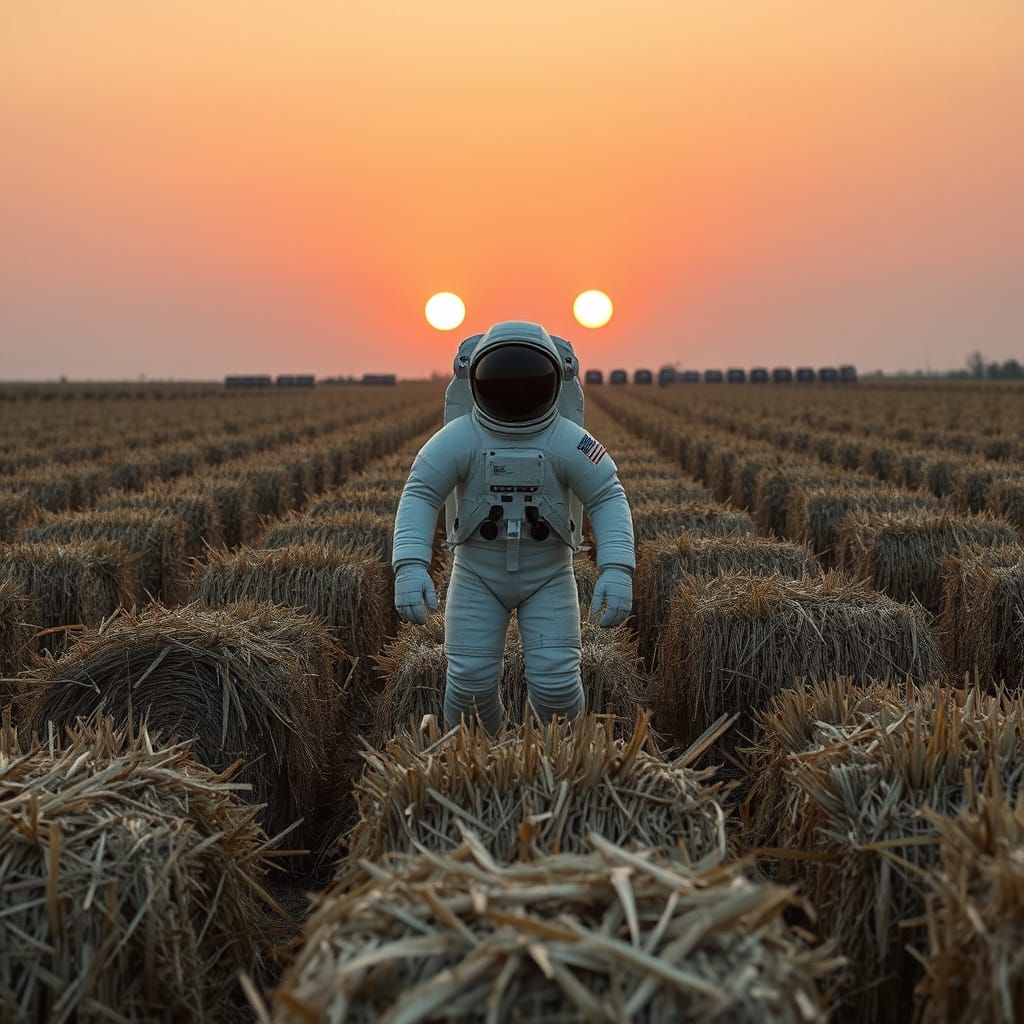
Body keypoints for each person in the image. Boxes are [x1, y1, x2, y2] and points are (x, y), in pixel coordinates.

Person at [392, 320, 634, 731]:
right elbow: (420, 492)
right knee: (468, 683)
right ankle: (483, 760)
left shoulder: (570, 441)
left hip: (549, 575)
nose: (515, 387)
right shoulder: (462, 437)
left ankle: (557, 761)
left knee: (557, 684)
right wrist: (410, 563)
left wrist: (617, 567)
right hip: (476, 574)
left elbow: (608, 495)